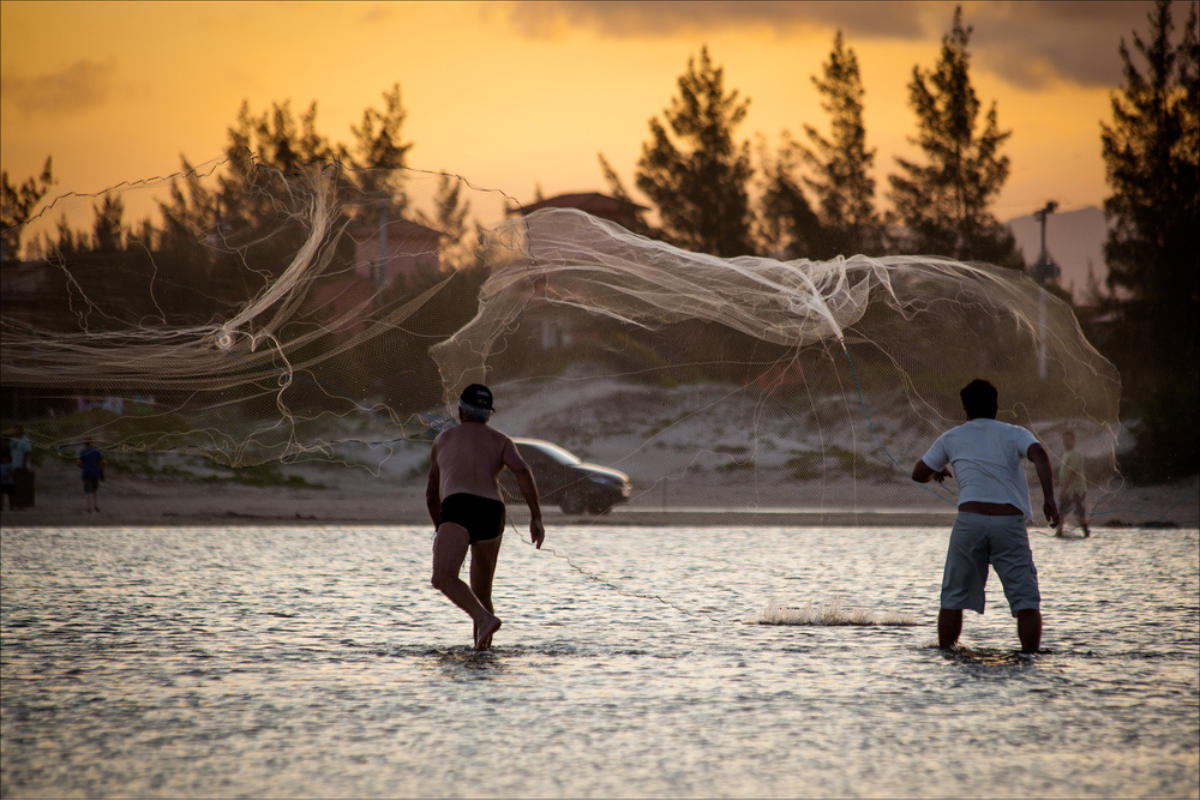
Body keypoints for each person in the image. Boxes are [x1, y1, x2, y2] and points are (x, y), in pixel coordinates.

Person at [912, 379, 1060, 655]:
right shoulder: (1015, 433)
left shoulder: (952, 437)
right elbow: (1039, 453)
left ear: (965, 410)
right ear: (996, 406)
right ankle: (1029, 660)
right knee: (1026, 600)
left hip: (971, 522)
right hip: (1009, 523)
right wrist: (1049, 498)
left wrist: (939, 470)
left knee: (952, 599)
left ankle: (947, 654)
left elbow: (918, 473)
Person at [427, 384, 545, 651]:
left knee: (443, 577)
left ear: (459, 411)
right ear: (488, 414)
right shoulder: (502, 440)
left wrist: (441, 529)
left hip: (459, 506)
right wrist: (535, 517)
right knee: (481, 593)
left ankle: (484, 619)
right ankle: (482, 653)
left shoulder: (443, 439)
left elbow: (431, 496)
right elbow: (523, 470)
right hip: (493, 510)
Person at [1055, 430, 1090, 537]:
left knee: (1080, 513)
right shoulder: (1066, 454)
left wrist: (1063, 490)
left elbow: (1072, 473)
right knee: (1061, 512)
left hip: (1076, 490)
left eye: (1068, 440)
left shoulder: (1076, 454)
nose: (1066, 442)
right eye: (1064, 440)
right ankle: (1059, 533)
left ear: (1074, 441)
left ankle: (1086, 533)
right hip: (1068, 489)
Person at [79, 441, 105, 513]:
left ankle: (89, 507)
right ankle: (95, 505)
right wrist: (101, 472)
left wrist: (84, 467)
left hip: (86, 473)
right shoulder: (97, 452)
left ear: (85, 444)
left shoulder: (82, 452)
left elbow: (79, 463)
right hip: (95, 473)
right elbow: (103, 463)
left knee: (87, 491)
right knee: (94, 490)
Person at [0, 440, 14, 511]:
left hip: (8, 481)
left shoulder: (10, 464)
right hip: (3, 480)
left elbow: (11, 472)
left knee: (10, 494)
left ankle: (11, 506)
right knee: (2, 494)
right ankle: (1, 507)